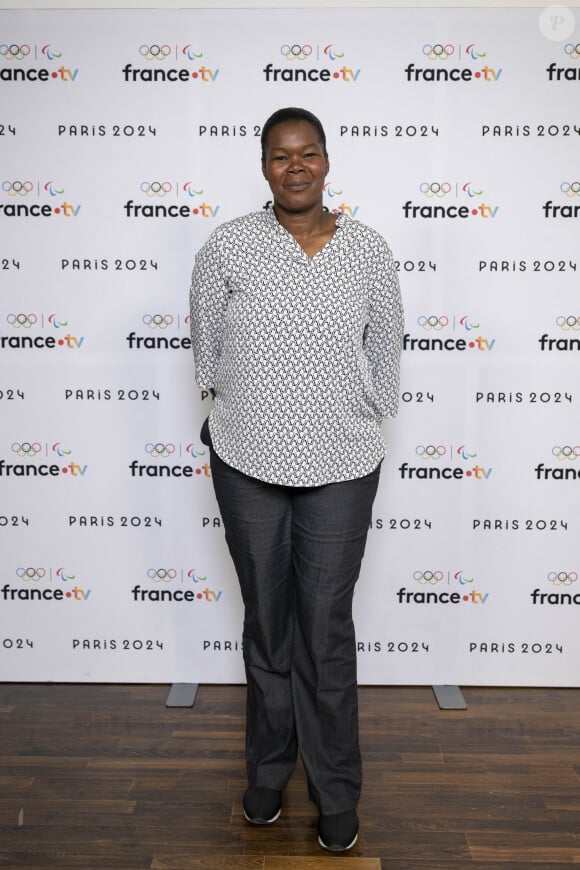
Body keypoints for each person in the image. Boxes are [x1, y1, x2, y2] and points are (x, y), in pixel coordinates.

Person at [190, 107, 403, 852]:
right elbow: (205, 346)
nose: (296, 166)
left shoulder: (369, 251)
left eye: (307, 153)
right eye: (281, 157)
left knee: (326, 630)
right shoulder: (227, 247)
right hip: (247, 460)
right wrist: (230, 419)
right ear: (264, 167)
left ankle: (336, 790)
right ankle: (267, 772)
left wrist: (368, 417)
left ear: (326, 160)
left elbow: (389, 347)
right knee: (266, 625)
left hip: (342, 464)